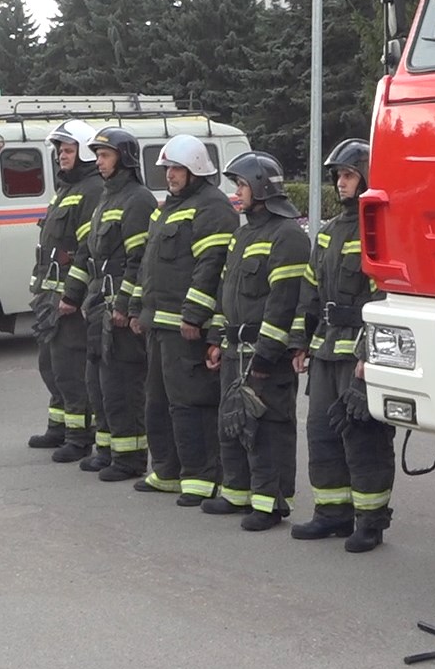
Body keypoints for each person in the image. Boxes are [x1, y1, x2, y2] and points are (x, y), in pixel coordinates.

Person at [292, 139, 396, 553]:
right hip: (324, 349)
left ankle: (371, 521)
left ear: (367, 175)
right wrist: (300, 342)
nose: (340, 183)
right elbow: (310, 290)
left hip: (357, 350)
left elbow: (385, 300)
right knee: (321, 432)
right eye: (337, 176)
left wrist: (368, 355)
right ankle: (331, 514)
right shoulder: (328, 233)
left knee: (363, 438)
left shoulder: (379, 230)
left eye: (348, 175)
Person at [208, 152, 310, 531]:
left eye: (242, 185)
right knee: (233, 422)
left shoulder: (287, 236)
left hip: (264, 355)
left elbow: (283, 303)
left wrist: (267, 356)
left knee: (268, 428)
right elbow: (227, 293)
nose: (237, 193)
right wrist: (217, 339)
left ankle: (271, 503)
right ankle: (237, 493)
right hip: (235, 350)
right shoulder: (243, 233)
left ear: (262, 188)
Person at [133, 134, 235, 506]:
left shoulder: (213, 208)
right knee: (157, 402)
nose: (170, 175)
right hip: (160, 324)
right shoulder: (166, 208)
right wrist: (140, 311)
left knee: (190, 402)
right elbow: (149, 265)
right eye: (167, 168)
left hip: (184, 326)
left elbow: (211, 268)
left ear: (195, 170)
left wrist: (195, 315)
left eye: (176, 168)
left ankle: (201, 476)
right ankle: (168, 470)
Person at [67, 127, 153, 481]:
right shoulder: (106, 200)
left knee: (122, 385)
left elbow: (139, 259)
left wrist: (125, 305)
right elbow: (87, 253)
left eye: (105, 155)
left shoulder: (138, 200)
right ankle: (106, 449)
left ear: (124, 159)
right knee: (98, 382)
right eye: (98, 156)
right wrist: (73, 296)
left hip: (117, 304)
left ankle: (130, 459)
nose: (98, 161)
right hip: (98, 302)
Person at [29, 119, 104, 460]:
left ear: (85, 153)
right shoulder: (67, 190)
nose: (62, 155)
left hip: (71, 300)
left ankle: (79, 435)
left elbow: (89, 247)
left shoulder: (91, 191)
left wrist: (74, 294)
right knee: (51, 364)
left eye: (69, 150)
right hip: (50, 295)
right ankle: (59, 426)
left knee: (71, 367)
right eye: (59, 150)